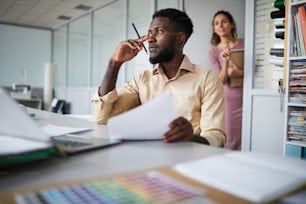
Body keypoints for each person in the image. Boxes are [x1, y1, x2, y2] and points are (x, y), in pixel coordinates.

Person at [92, 8, 226, 147]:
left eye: (159, 31)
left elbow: (216, 137)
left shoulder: (207, 79)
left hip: (189, 161)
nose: (150, 39)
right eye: (149, 32)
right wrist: (114, 63)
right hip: (147, 159)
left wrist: (190, 138)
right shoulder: (141, 80)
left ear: (180, 38)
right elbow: (102, 118)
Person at [209, 10, 244, 150]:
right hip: (230, 101)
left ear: (232, 24)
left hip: (250, 96)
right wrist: (225, 63)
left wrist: (239, 72)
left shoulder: (246, 43)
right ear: (214, 29)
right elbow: (220, 81)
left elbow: (257, 70)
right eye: (216, 23)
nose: (221, 26)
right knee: (233, 139)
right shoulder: (214, 52)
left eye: (224, 21)